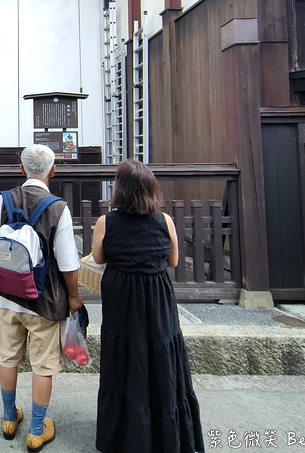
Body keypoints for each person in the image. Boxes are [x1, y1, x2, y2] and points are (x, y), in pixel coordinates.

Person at [91, 159, 204, 453]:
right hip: (156, 293)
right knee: (160, 354)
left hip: (122, 295)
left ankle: (125, 433)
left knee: (124, 356)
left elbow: (99, 258)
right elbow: (173, 261)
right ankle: (164, 432)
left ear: (120, 190)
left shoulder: (106, 222)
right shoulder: (164, 220)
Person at [0, 144, 83, 452]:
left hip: (5, 296)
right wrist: (74, 298)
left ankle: (9, 418)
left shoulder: (4, 199)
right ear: (53, 171)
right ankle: (37, 431)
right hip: (43, 301)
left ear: (21, 168)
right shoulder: (58, 208)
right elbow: (68, 264)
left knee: (8, 358)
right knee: (43, 365)